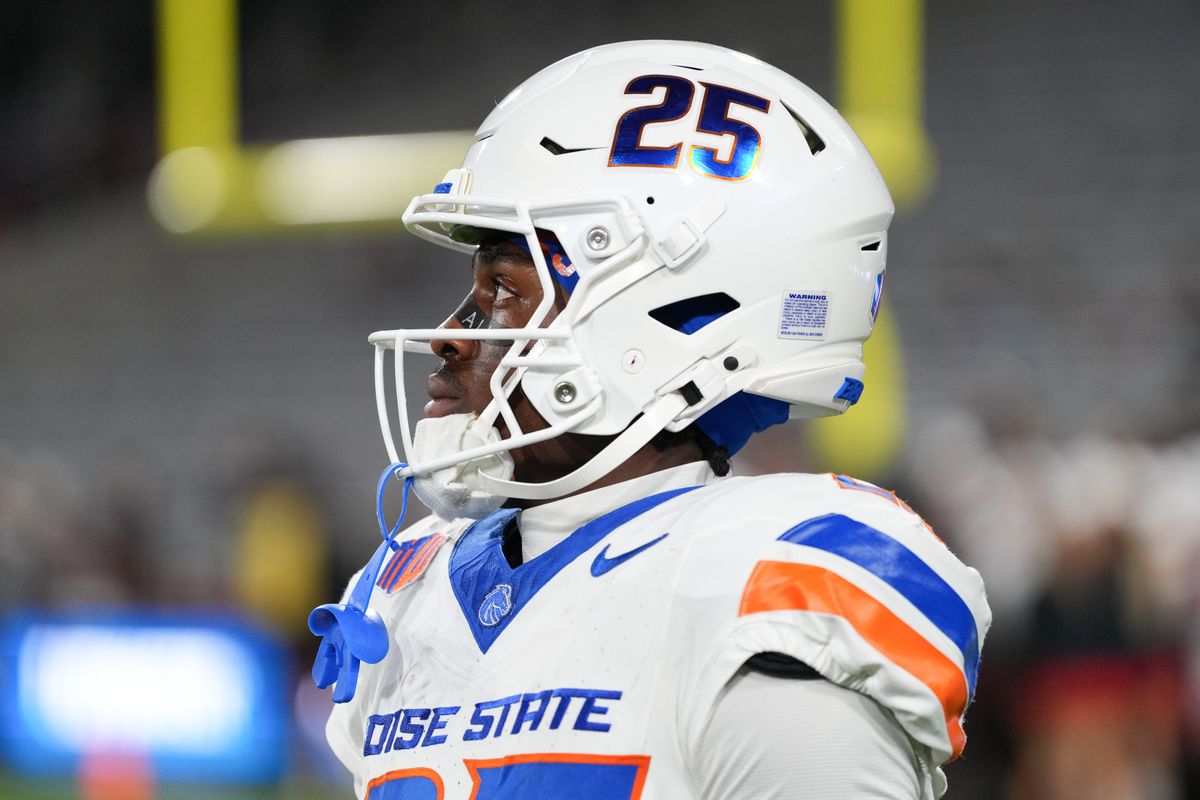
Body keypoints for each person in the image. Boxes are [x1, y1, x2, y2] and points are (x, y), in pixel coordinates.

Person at [308, 40, 990, 799]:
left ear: (661, 315)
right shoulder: (408, 588)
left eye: (504, 285)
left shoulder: (757, 586)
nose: (453, 331)